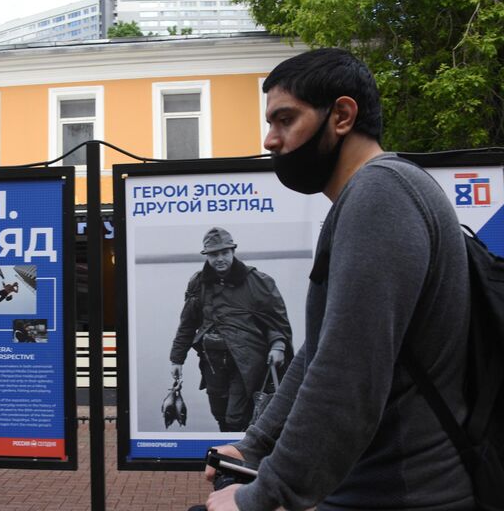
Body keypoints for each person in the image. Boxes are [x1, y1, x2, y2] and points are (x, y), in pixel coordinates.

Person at [201, 48, 473, 510]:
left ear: (342, 115)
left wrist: (260, 497)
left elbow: (346, 377)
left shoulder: (380, 195)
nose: (270, 139)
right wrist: (254, 445)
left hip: (402, 493)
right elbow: (322, 349)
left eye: (285, 119)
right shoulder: (374, 195)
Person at [171, 227, 293, 432]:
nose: (220, 258)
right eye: (214, 254)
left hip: (247, 361)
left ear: (233, 251)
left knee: (236, 416)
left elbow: (274, 322)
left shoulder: (258, 281)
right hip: (212, 361)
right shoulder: (198, 283)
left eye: (224, 253)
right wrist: (177, 359)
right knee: (219, 413)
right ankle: (230, 456)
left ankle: (241, 456)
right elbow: (188, 323)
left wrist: (278, 345)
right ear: (207, 256)